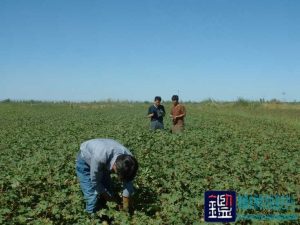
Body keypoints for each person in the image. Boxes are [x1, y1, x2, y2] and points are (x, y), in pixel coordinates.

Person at [75, 138, 138, 213]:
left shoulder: (129, 161)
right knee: (92, 197)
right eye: (119, 175)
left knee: (108, 190)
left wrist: (126, 205)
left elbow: (128, 180)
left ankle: (107, 211)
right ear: (114, 166)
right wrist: (109, 199)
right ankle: (90, 217)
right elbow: (95, 182)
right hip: (85, 161)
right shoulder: (100, 157)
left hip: (104, 154)